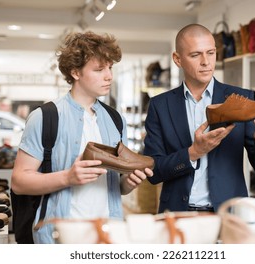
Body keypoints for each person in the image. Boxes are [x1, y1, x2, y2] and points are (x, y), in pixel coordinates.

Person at [11, 31, 153, 244]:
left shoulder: (116, 120)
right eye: (99, 69)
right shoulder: (45, 117)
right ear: (75, 72)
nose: (109, 76)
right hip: (59, 237)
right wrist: (68, 177)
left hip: (109, 236)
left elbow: (116, 188)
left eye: (110, 67)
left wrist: (128, 183)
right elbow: (19, 182)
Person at [143, 23, 255, 213]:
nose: (206, 62)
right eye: (195, 55)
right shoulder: (160, 105)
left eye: (210, 53)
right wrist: (193, 152)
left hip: (230, 215)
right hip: (178, 213)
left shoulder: (241, 99)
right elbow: (153, 172)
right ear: (177, 59)